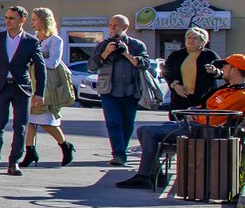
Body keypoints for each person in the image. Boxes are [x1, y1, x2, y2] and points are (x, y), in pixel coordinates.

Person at [117, 31, 226, 189]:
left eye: (195, 38)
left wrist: (215, 72)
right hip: (179, 102)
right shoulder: (177, 55)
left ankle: (149, 174)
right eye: (189, 38)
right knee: (169, 129)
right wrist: (175, 84)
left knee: (159, 133)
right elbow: (166, 71)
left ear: (203, 42)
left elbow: (222, 73)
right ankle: (152, 174)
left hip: (200, 104)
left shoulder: (209, 55)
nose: (191, 40)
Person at [0, 5, 45, 177]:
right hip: (0, 87)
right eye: (6, 18)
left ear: (22, 20)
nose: (7, 21)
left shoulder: (30, 41)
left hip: (21, 88)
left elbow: (40, 68)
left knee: (20, 126)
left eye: (11, 18)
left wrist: (39, 93)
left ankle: (14, 162)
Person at [94, 15, 150, 167]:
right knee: (113, 122)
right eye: (111, 25)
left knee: (127, 124)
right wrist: (106, 52)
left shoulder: (136, 45)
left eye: (116, 25)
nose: (112, 28)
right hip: (109, 91)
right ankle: (118, 154)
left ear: (125, 28)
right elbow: (91, 66)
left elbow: (144, 64)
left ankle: (121, 151)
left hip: (130, 91)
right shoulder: (102, 45)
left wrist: (126, 53)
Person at [25, 7, 75, 166]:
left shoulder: (55, 40)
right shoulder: (33, 38)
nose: (31, 23)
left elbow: (53, 63)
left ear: (43, 20)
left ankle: (65, 145)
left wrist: (34, 60)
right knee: (29, 121)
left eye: (34, 20)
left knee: (46, 120)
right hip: (31, 81)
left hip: (47, 83)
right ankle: (30, 152)